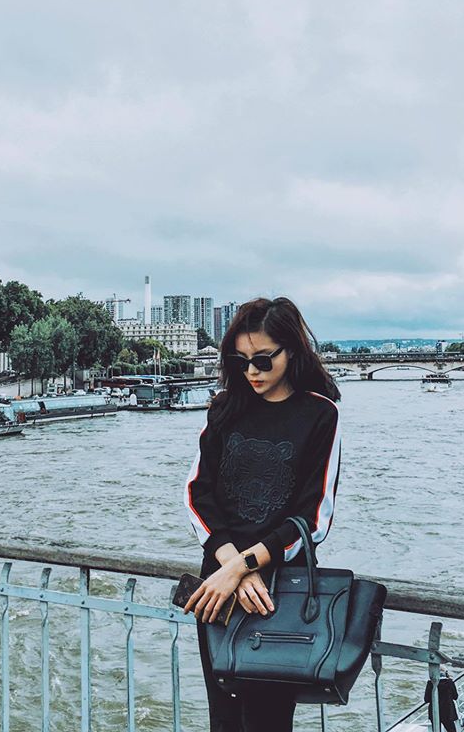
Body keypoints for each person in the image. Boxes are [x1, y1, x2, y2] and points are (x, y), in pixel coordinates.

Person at [183, 297, 342, 732]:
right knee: (224, 720)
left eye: (263, 360)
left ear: (292, 351)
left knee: (268, 721)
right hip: (219, 586)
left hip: (278, 591)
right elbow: (198, 494)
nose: (251, 372)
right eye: (241, 361)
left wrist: (243, 566)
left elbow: (313, 516)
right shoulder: (224, 407)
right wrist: (231, 566)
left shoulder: (320, 415)